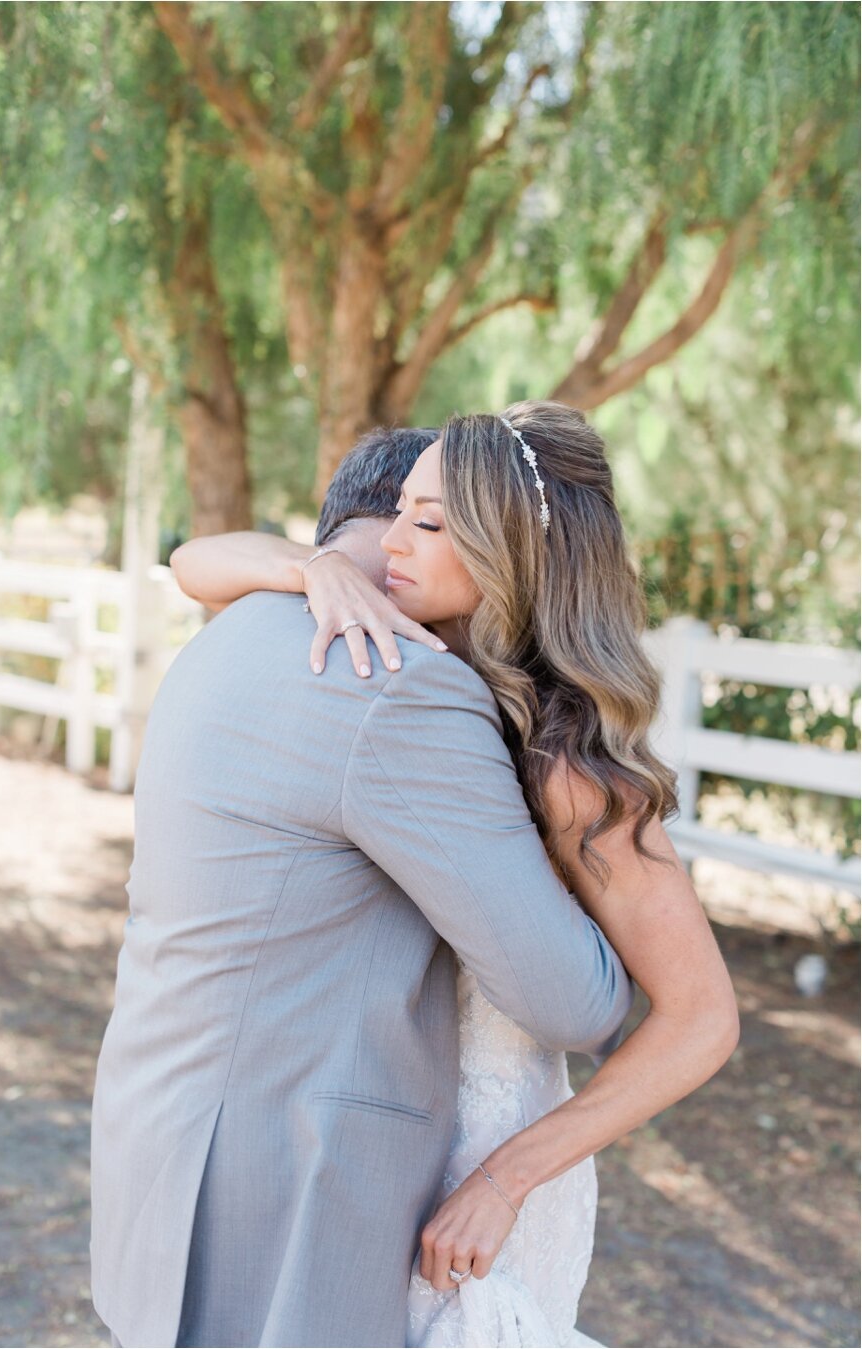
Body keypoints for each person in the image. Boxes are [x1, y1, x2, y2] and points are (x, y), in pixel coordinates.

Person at [171, 402, 740, 1348]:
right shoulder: (403, 640)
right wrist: (306, 564)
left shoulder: (566, 758)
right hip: (386, 1156)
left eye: (428, 523)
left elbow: (703, 1017)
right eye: (399, 508)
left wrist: (508, 1177)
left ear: (509, 551)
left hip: (485, 1171)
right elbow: (193, 563)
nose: (388, 543)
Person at [90, 425, 636, 1349]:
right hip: (288, 1190)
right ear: (404, 524)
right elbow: (570, 1002)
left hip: (157, 1136)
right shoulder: (403, 683)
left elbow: (194, 561)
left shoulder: (224, 639)